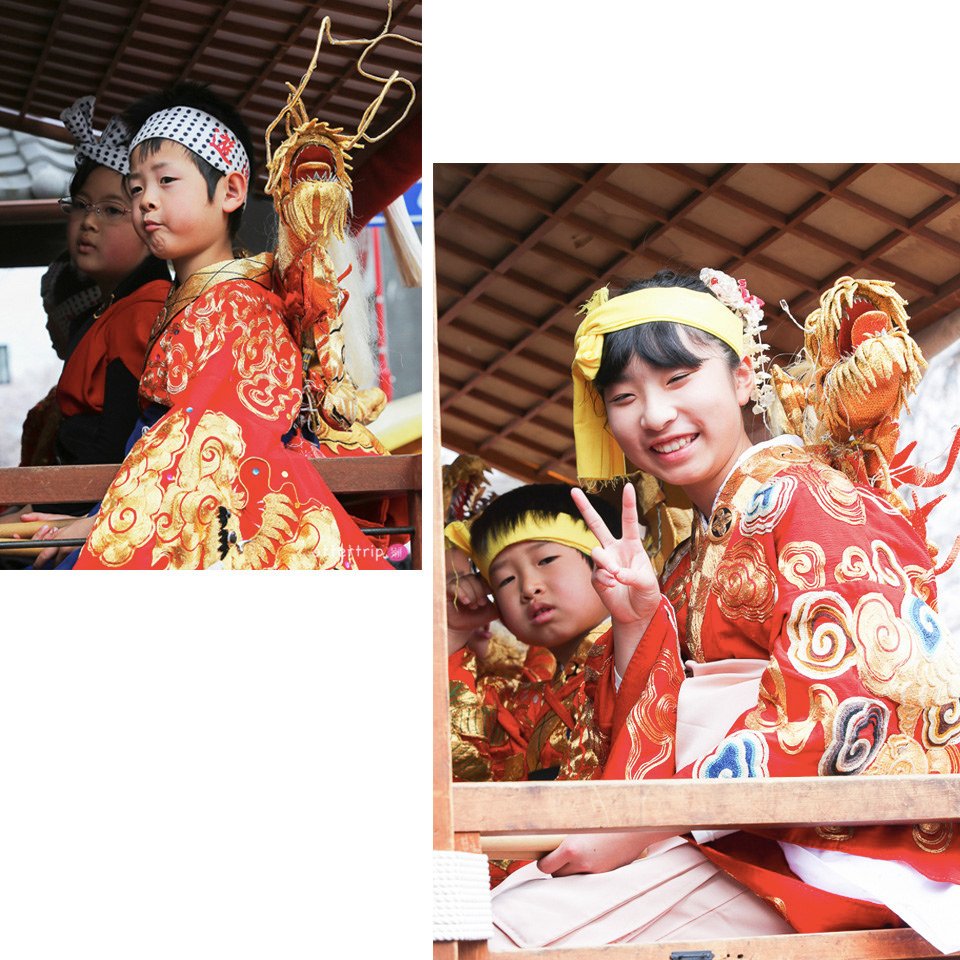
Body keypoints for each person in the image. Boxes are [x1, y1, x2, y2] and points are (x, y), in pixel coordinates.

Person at [487, 269, 960, 952]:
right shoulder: (687, 557)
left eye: (678, 380)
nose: (653, 415)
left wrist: (643, 823)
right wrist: (636, 623)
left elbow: (858, 708)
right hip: (725, 829)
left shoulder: (809, 499)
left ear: (741, 378)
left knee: (510, 934)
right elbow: (655, 731)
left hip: (822, 848)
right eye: (625, 396)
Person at [41, 83, 391, 569]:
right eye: (136, 187)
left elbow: (210, 437)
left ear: (230, 191)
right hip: (171, 488)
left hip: (207, 497)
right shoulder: (200, 300)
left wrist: (98, 518)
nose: (145, 201)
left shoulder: (240, 305)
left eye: (165, 182)